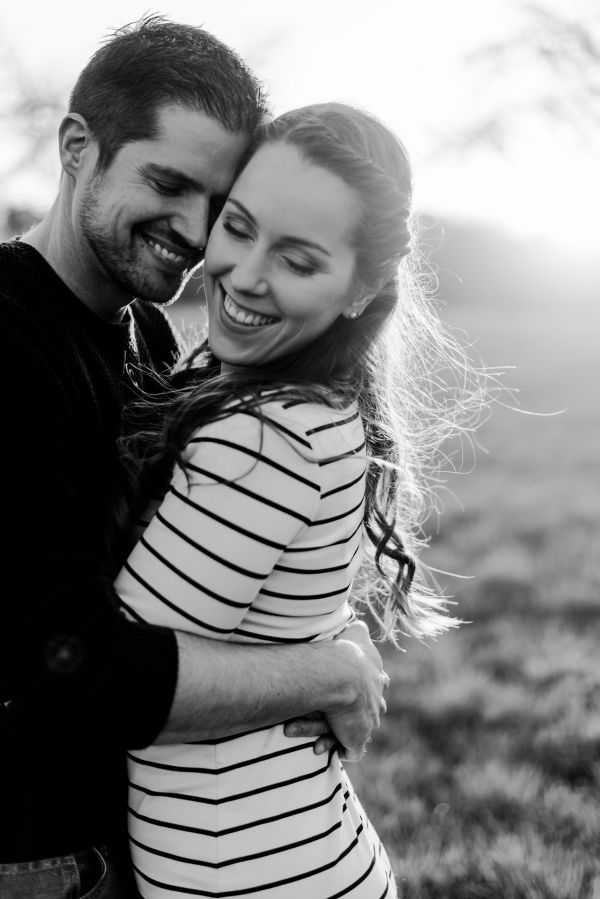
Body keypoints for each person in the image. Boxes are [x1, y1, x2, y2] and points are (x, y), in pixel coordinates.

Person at [0, 20, 388, 899]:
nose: (194, 231)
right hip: (37, 862)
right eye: (167, 183)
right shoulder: (6, 340)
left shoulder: (145, 334)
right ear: (77, 148)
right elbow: (72, 678)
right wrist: (325, 670)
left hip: (130, 840)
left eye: (217, 203)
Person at [112, 102, 479, 898]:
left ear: (359, 289)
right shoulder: (307, 401)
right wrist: (333, 659)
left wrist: (334, 666)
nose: (246, 274)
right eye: (238, 227)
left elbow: (117, 677)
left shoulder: (268, 432)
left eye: (298, 261)